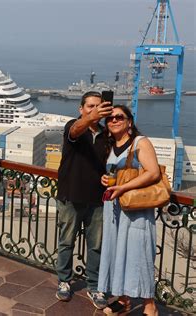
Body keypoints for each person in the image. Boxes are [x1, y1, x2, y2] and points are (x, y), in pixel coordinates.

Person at [98, 105, 160, 316]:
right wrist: (105, 179)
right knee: (118, 253)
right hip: (114, 210)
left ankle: (150, 306)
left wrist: (123, 187)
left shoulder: (140, 143)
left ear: (129, 122)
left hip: (136, 210)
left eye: (119, 117)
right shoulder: (112, 146)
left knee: (139, 254)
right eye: (110, 118)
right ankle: (123, 300)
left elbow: (153, 173)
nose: (114, 120)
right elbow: (115, 174)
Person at [55, 91, 112, 309]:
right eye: (90, 106)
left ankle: (95, 285)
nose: (94, 109)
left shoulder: (106, 134)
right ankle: (64, 281)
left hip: (97, 198)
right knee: (66, 241)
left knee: (96, 245)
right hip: (71, 195)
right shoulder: (74, 126)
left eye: (98, 106)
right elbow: (75, 130)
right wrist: (91, 117)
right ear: (81, 109)